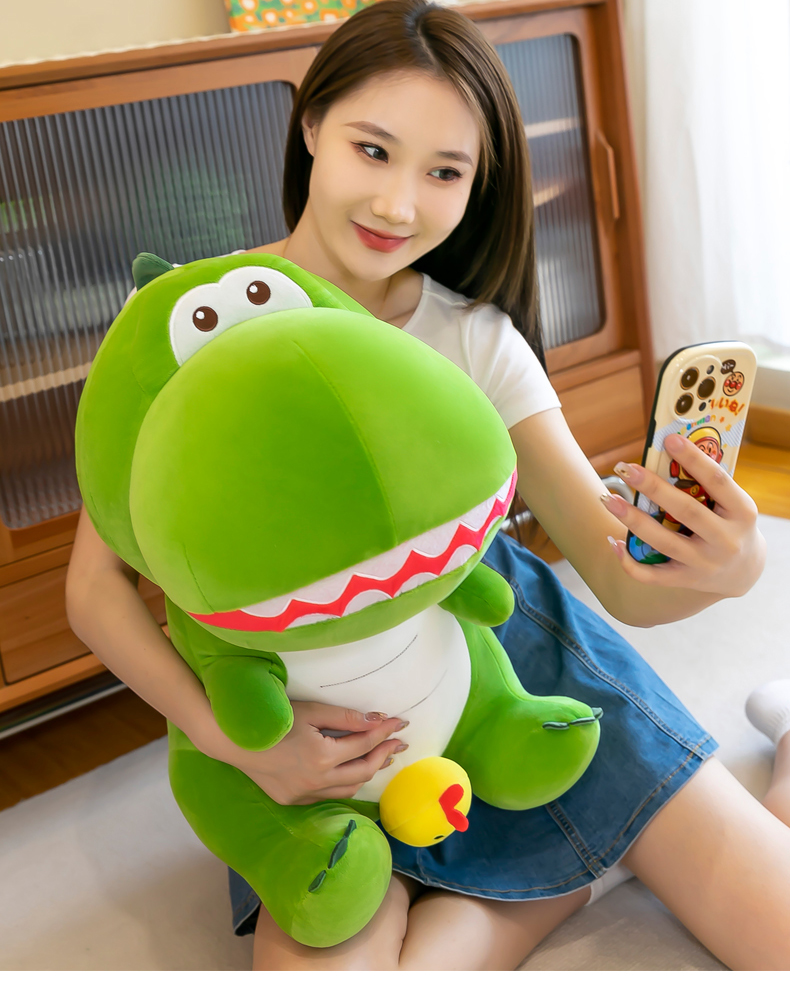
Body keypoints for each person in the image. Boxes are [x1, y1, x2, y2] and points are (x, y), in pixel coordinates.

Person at [65, 0, 790, 971]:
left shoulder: (476, 340)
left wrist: (734, 569)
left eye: (444, 172)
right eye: (373, 150)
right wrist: (236, 744)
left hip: (511, 686)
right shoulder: (192, 321)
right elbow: (96, 588)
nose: (398, 206)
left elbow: (617, 576)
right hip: (307, 726)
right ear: (311, 124)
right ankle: (576, 870)